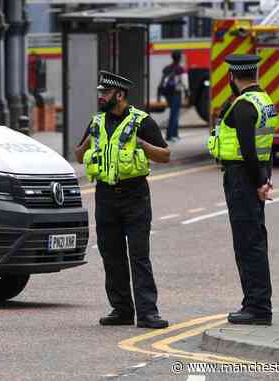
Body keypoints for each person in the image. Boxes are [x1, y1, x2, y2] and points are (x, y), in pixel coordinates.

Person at [75, 71, 170, 329]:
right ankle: (122, 309)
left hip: (134, 195)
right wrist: (85, 147)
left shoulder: (142, 121)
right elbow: (77, 153)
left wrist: (142, 144)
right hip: (105, 196)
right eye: (99, 92)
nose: (100, 97)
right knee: (111, 255)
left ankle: (148, 313)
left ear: (119, 95)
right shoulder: (97, 122)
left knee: (139, 256)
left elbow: (165, 155)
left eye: (104, 93)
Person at [207, 55, 277, 325]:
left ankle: (257, 308)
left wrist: (259, 182)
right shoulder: (263, 101)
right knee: (254, 240)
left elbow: (248, 149)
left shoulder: (244, 105)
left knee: (248, 244)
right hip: (254, 175)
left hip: (242, 178)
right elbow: (265, 147)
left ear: (232, 78)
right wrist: (265, 178)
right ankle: (255, 303)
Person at [158, 50, 188, 142]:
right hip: (176, 93)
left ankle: (175, 134)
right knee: (174, 115)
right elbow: (184, 82)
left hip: (168, 94)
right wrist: (187, 92)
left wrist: (159, 96)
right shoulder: (180, 69)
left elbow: (162, 82)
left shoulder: (167, 68)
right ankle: (169, 135)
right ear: (179, 58)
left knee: (174, 113)